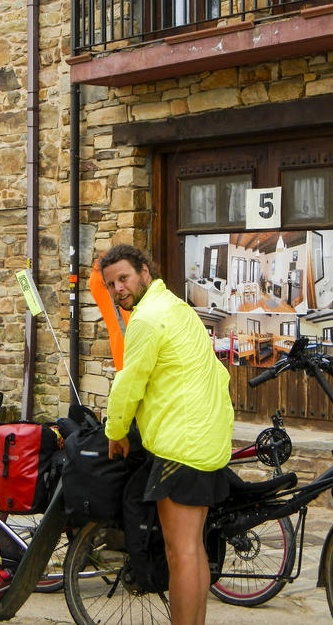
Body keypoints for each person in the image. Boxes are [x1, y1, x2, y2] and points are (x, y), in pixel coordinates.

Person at [100, 244, 234, 625]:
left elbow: (129, 383)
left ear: (145, 271)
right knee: (192, 548)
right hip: (205, 438)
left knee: (181, 553)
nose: (118, 289)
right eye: (111, 285)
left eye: (123, 278)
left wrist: (116, 429)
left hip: (182, 444)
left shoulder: (147, 318)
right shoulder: (176, 307)